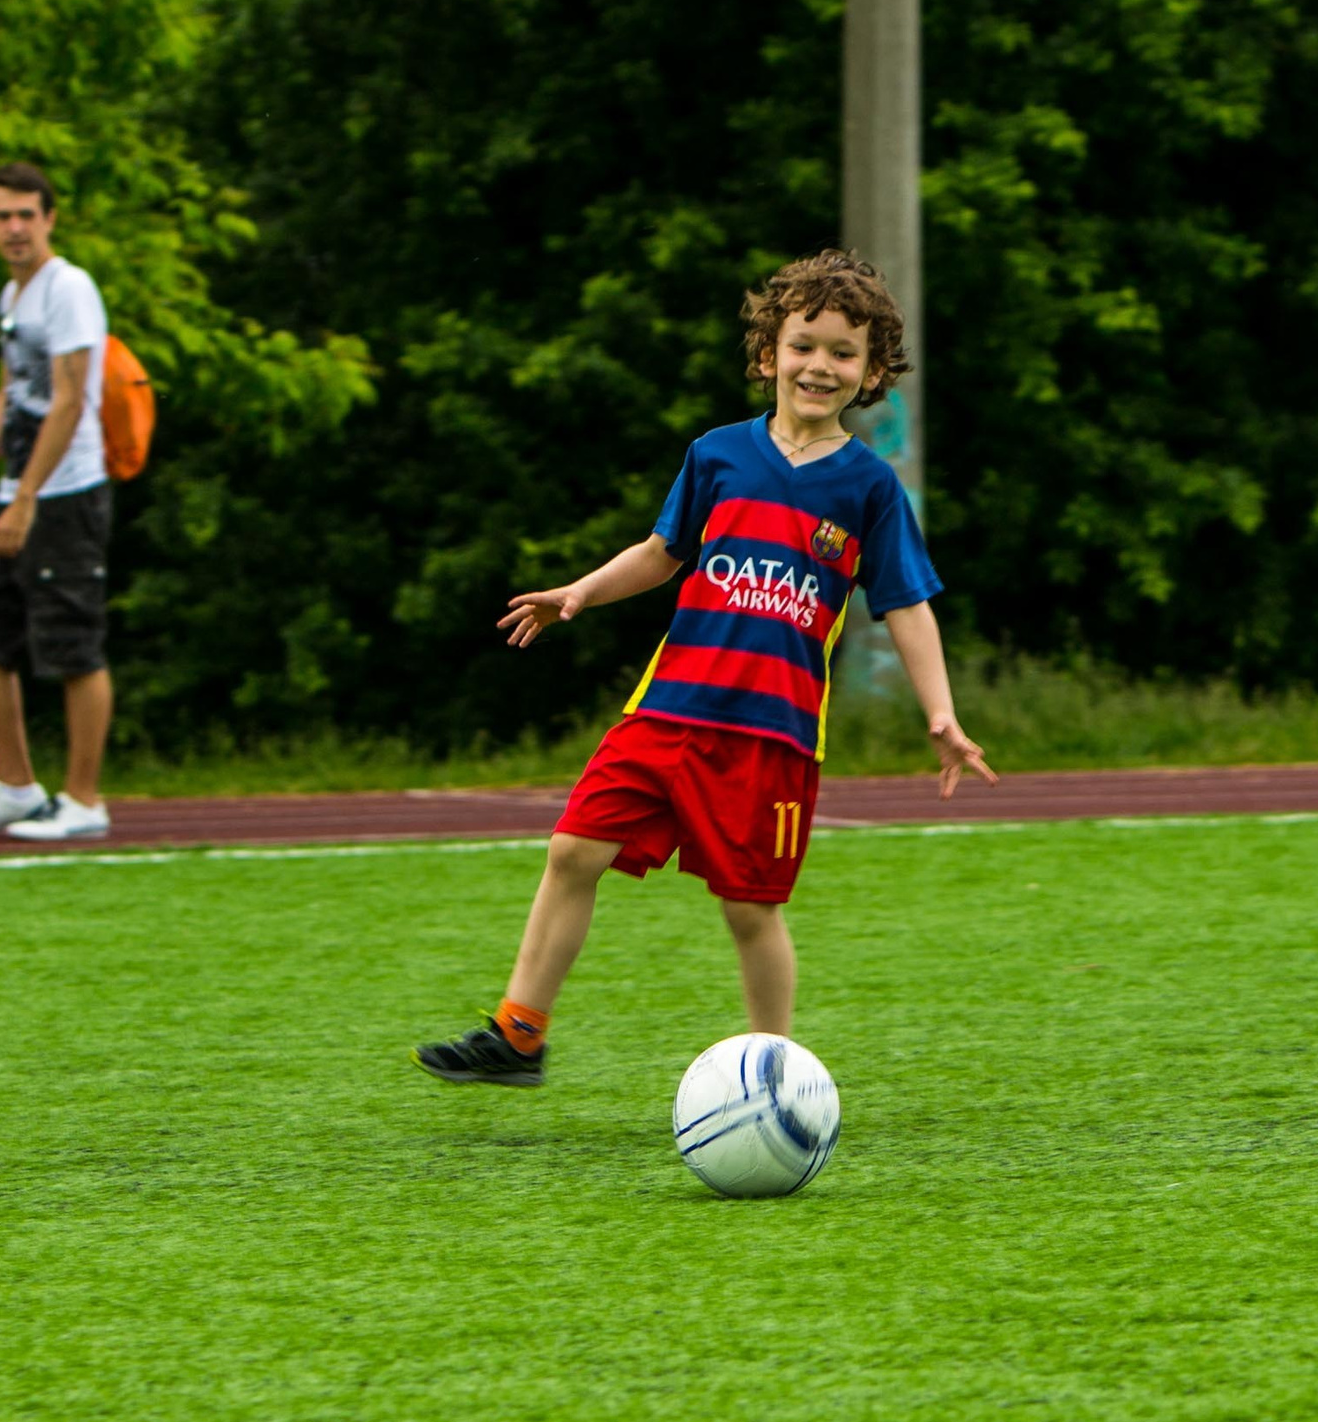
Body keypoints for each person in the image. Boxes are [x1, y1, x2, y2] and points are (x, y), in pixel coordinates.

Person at [413, 249, 996, 1087]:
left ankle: (775, 1073)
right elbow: (661, 553)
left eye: (843, 353)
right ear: (769, 354)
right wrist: (581, 591)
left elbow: (906, 603)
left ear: (872, 374)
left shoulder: (868, 487)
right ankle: (518, 1033)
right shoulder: (718, 454)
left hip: (772, 738)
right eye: (804, 345)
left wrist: (939, 712)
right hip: (667, 712)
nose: (820, 365)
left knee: (750, 908)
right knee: (573, 850)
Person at [0, 163, 116, 842]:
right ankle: (15, 787)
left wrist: (28, 498)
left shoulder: (69, 290)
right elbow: (11, 398)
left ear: (49, 219)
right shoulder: (15, 295)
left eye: (26, 214)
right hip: (19, 491)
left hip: (65, 495)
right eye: (2, 216)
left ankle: (84, 800)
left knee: (73, 647)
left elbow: (69, 401)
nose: (14, 227)